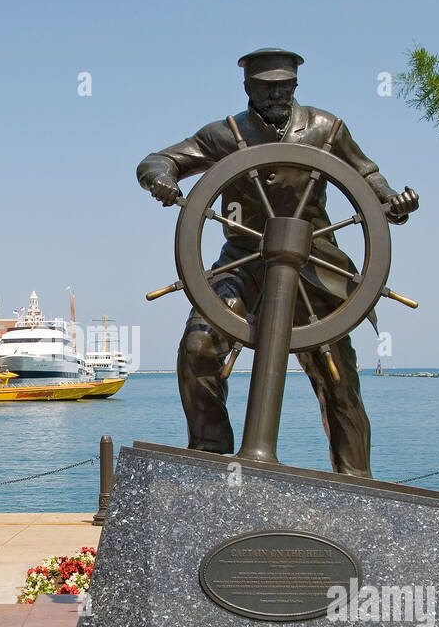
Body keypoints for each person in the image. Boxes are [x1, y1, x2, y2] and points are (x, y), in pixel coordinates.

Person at [136, 48, 417, 477]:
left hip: (316, 267)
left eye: (285, 87)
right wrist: (161, 176)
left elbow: (368, 177)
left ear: (296, 86)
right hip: (243, 262)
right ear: (248, 88)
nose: (276, 95)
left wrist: (391, 202)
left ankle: (356, 481)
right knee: (199, 347)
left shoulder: (327, 128)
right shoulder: (225, 134)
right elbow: (160, 159)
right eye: (267, 89)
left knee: (338, 379)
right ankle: (211, 453)